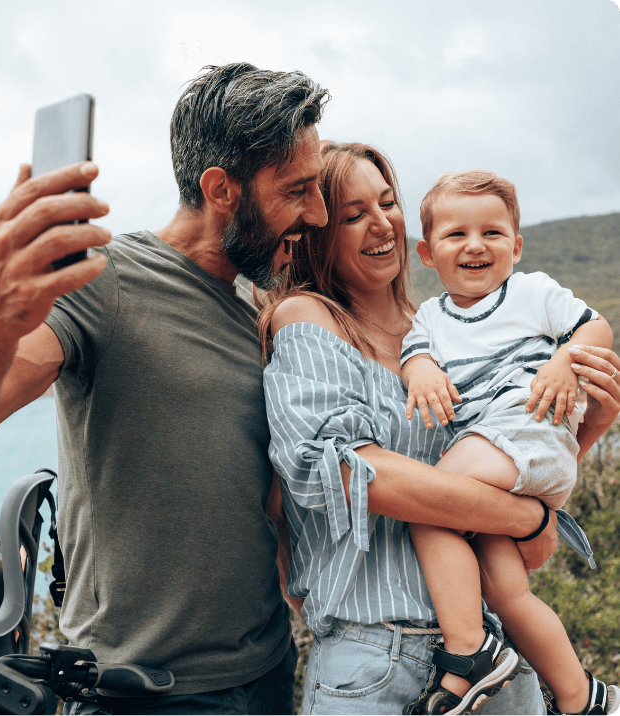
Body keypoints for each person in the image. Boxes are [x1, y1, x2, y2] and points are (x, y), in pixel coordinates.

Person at [0, 62, 332, 715]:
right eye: (299, 188)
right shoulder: (104, 283)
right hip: (143, 694)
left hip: (270, 669)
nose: (319, 210)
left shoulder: (262, 305)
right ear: (222, 189)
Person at [258, 141, 620, 716]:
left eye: (387, 202)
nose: (382, 225)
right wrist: (526, 516)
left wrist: (587, 428)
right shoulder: (309, 318)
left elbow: (523, 513)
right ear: (318, 231)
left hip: (497, 654)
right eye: (353, 215)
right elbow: (342, 472)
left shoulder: (440, 331)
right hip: (378, 651)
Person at [399, 169, 617, 716]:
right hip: (501, 453)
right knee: (507, 589)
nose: (476, 245)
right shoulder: (429, 316)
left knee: (427, 505)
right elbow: (415, 356)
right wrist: (422, 369)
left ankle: (468, 651)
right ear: (427, 252)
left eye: (492, 233)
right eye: (456, 235)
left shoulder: (532, 291)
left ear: (515, 247)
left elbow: (596, 329)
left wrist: (565, 361)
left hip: (528, 423)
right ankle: (580, 695)